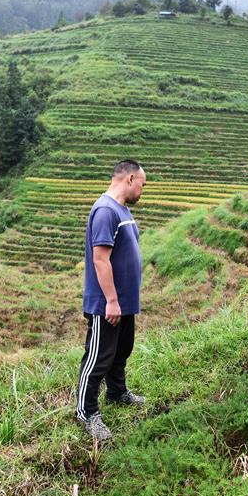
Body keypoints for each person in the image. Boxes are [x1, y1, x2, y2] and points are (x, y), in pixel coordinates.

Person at [76, 160, 147, 441]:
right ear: (129, 179)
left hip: (124, 302)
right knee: (98, 357)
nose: (143, 190)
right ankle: (86, 412)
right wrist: (112, 301)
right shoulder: (106, 211)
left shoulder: (122, 210)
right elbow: (100, 258)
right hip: (108, 304)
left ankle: (117, 392)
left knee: (121, 351)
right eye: (142, 184)